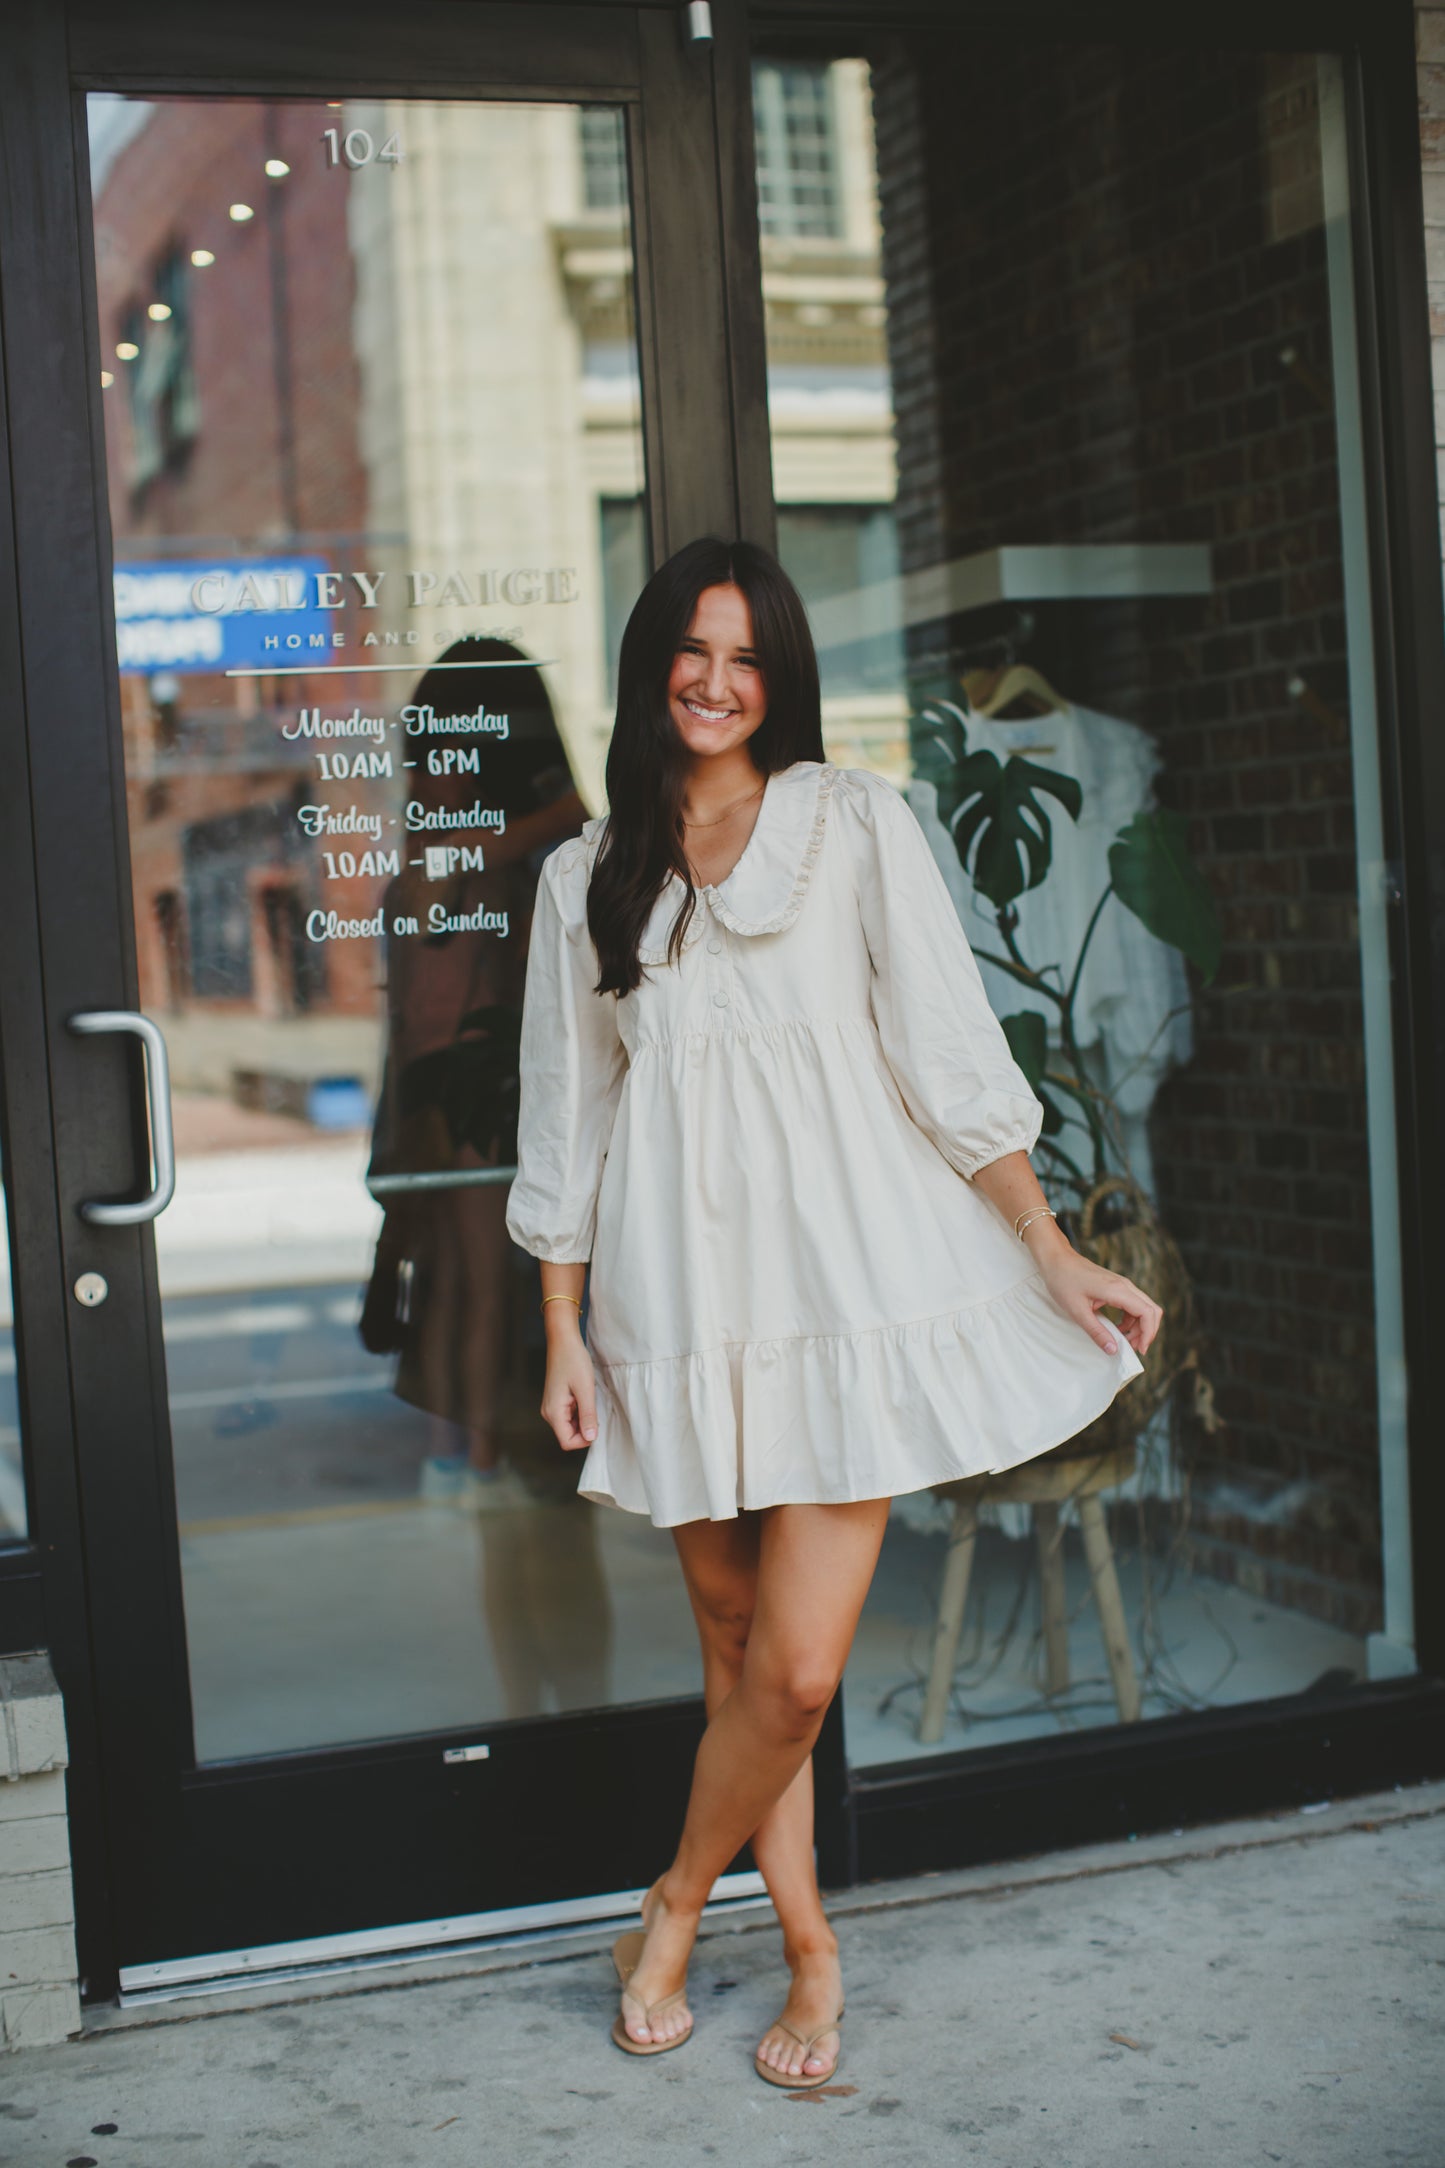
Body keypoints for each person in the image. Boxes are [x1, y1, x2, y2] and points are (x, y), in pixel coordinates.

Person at [503, 538, 1163, 2086]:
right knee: (737, 1656)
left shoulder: (856, 821)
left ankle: (670, 1906)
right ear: (650, 663)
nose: (715, 681)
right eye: (690, 649)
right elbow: (569, 1124)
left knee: (795, 1673)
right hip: (679, 1300)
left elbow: (946, 1060)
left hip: (844, 1290)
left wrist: (1049, 1248)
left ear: (777, 674)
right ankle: (807, 1956)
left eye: (744, 655)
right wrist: (560, 1330)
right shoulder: (583, 872)